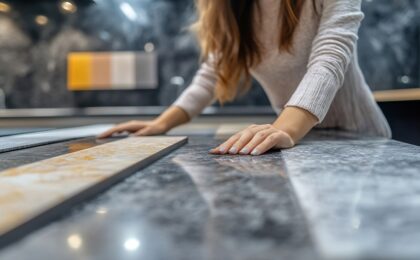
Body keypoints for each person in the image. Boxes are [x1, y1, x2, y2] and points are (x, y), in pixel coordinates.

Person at [99, 0, 391, 156]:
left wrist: (285, 129)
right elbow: (210, 76)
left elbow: (331, 56)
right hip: (301, 143)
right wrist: (160, 124)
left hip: (362, 138)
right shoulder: (232, 9)